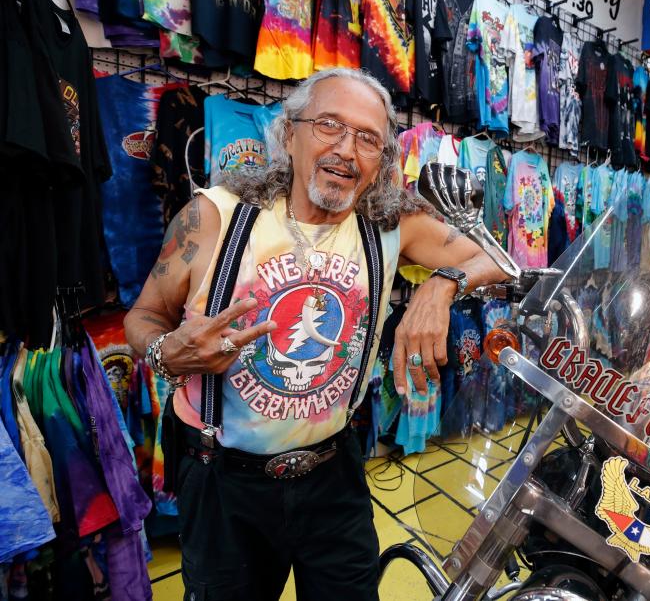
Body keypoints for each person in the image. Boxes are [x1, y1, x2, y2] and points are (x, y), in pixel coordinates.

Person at [124, 67, 508, 600]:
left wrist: (439, 287)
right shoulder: (213, 218)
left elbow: (496, 261)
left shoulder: (391, 225)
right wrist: (169, 352)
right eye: (329, 126)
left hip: (334, 477)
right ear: (289, 134)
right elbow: (141, 318)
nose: (347, 150)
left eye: (368, 138)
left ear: (381, 160)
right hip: (224, 485)